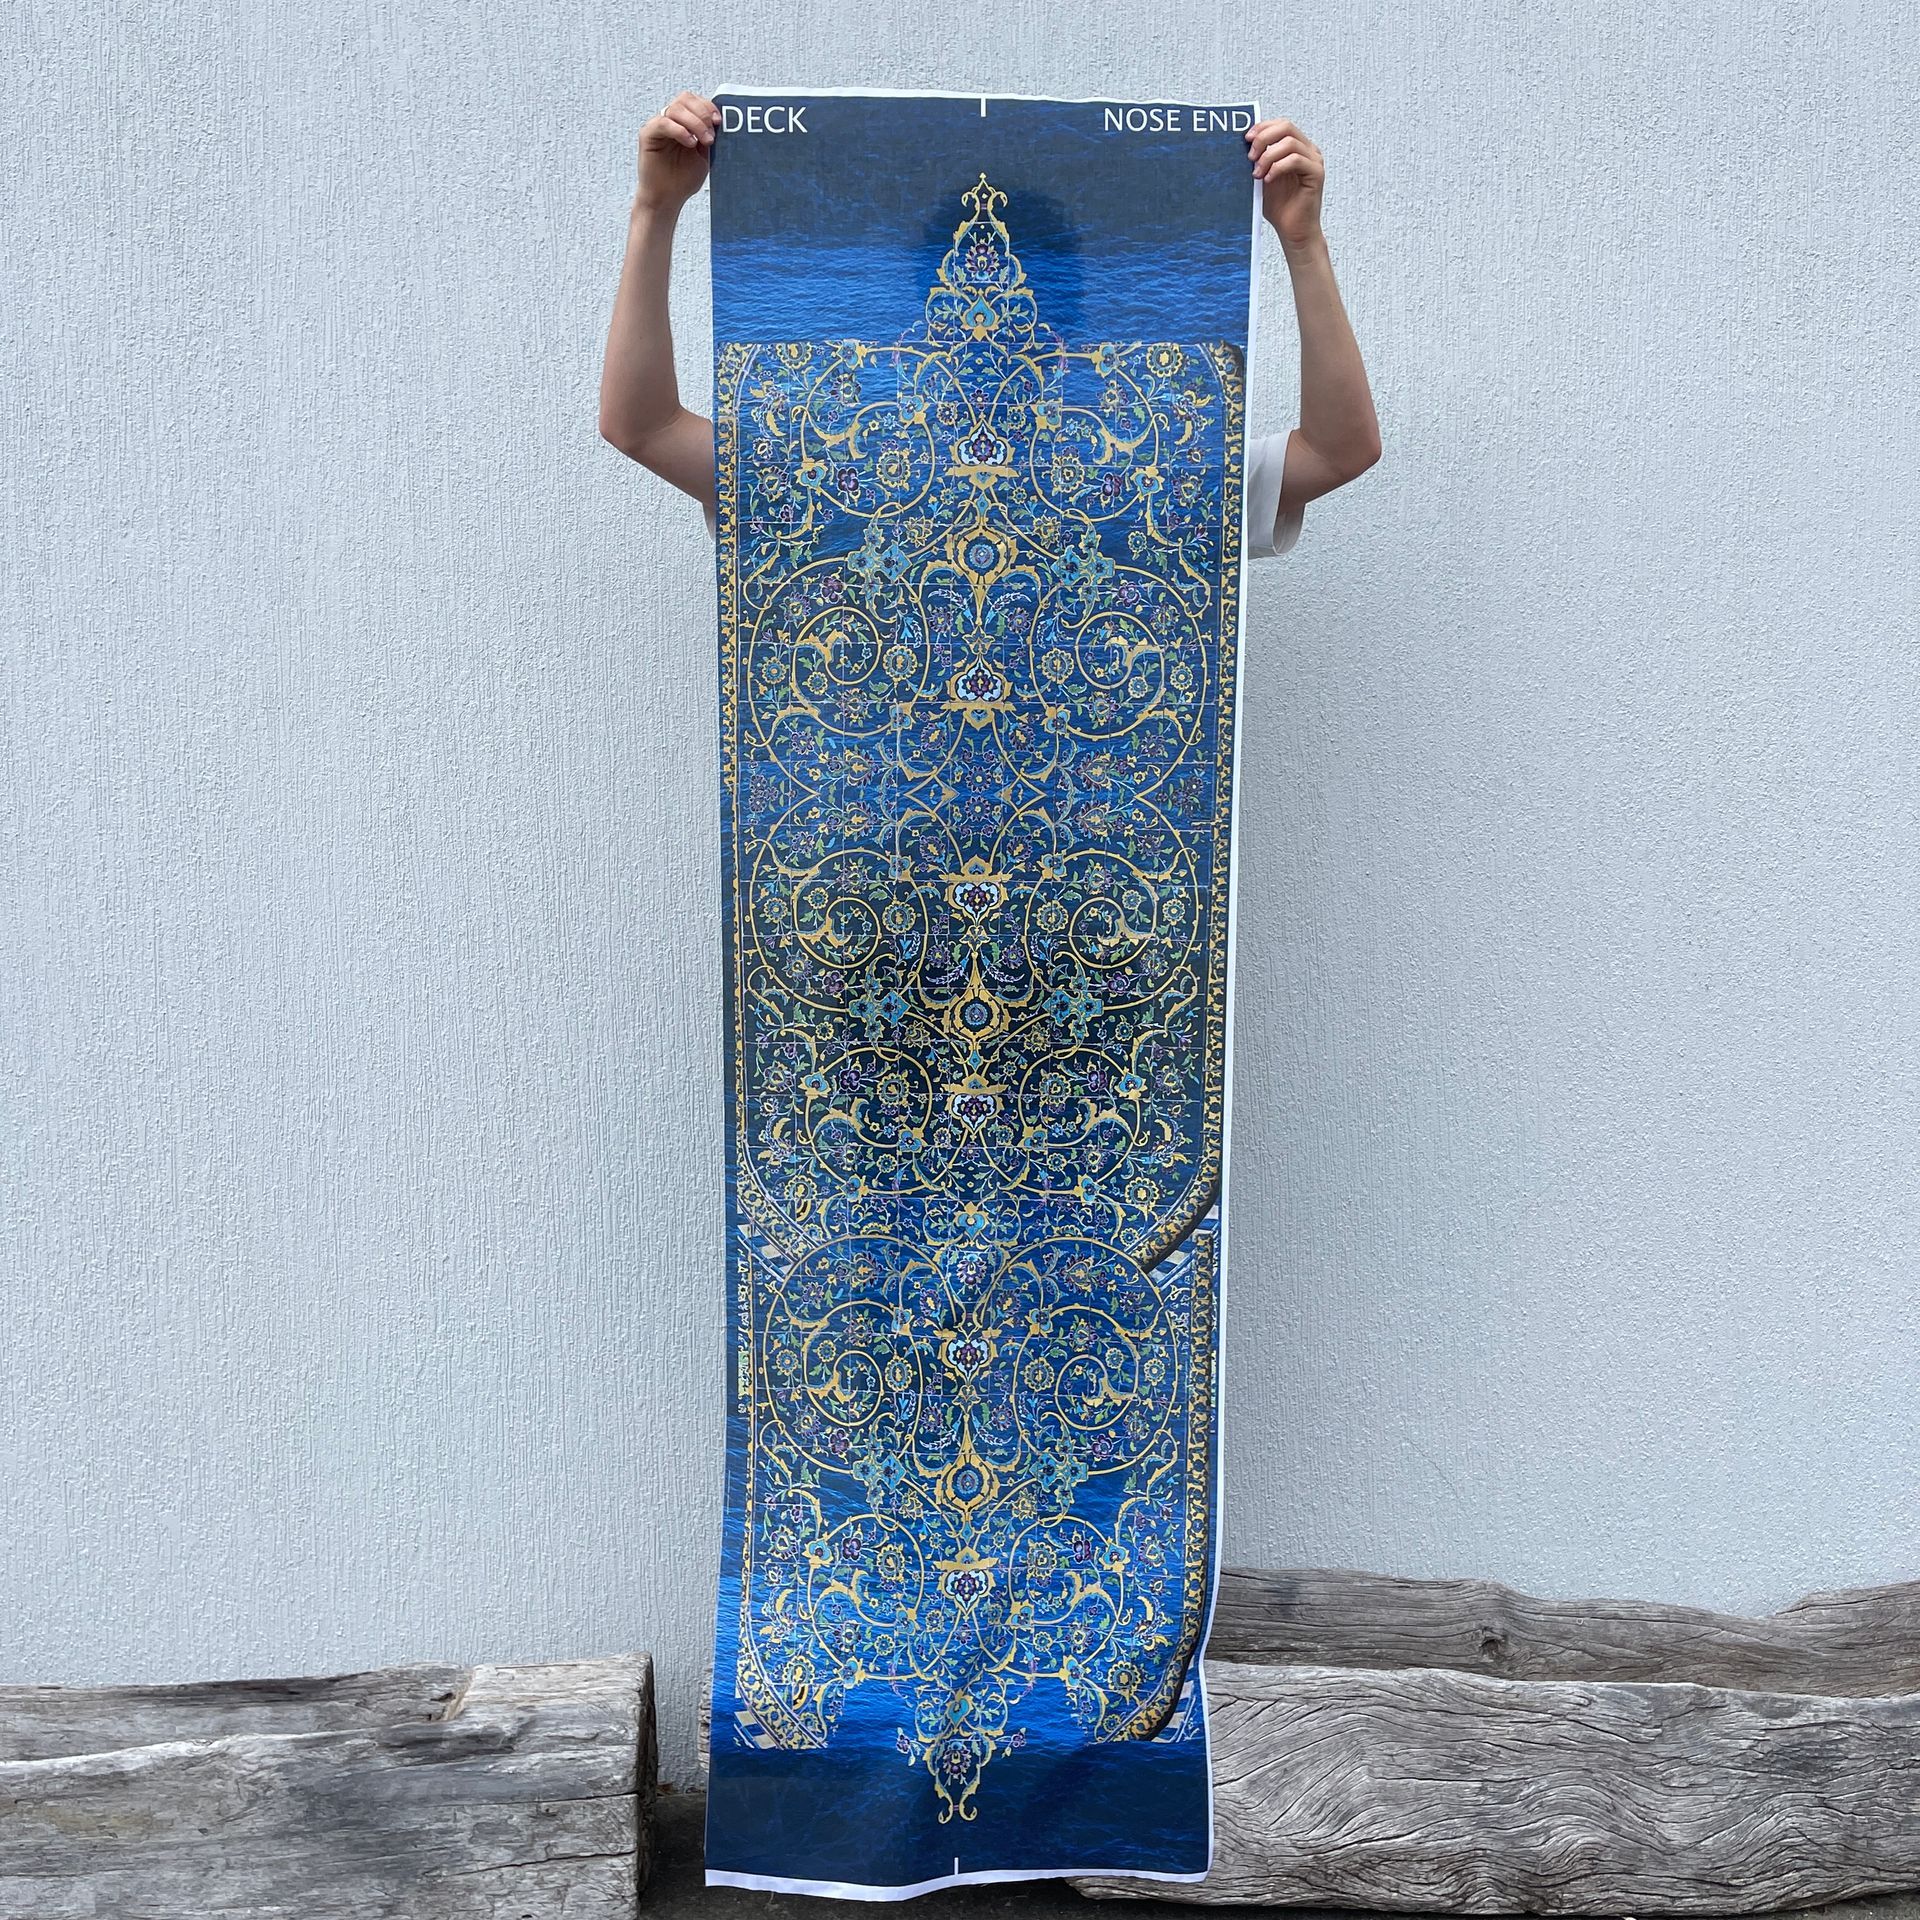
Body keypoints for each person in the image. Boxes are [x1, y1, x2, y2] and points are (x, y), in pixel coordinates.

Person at [599, 91, 1381, 551]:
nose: (990, 317)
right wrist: (655, 211)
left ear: (1067, 319)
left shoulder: (1140, 470)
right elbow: (642, 427)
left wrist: (1302, 242)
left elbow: (1340, 450)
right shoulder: (846, 468)